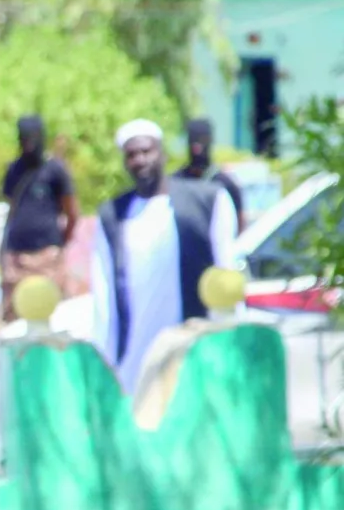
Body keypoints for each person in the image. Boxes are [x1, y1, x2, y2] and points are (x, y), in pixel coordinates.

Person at [90, 119, 239, 393]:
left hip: (193, 352)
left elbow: (226, 274)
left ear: (163, 153)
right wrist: (105, 360)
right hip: (135, 360)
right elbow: (104, 296)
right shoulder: (113, 215)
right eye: (132, 154)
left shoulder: (206, 201)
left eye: (147, 151)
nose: (140, 160)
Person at [0, 114, 78, 321]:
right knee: (15, 315)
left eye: (33, 138)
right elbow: (13, 208)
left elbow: (71, 211)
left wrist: (60, 242)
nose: (29, 144)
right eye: (25, 138)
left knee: (54, 313)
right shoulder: (14, 170)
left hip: (48, 256)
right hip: (17, 257)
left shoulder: (55, 170)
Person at [175, 118, 245, 230]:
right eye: (193, 140)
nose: (197, 148)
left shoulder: (225, 184)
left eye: (201, 140)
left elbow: (239, 225)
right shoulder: (176, 181)